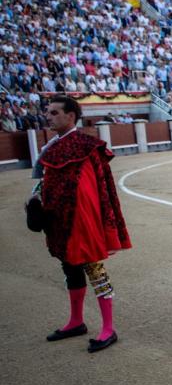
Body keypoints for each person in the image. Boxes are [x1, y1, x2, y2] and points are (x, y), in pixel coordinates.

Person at [29, 95, 131, 353]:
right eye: (48, 112)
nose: (48, 117)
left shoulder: (87, 147)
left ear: (71, 116)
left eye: (54, 113)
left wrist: (91, 224)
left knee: (96, 272)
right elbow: (46, 184)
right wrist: (36, 202)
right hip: (59, 222)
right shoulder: (51, 149)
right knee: (70, 270)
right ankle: (76, 321)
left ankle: (108, 328)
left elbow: (92, 192)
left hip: (83, 224)